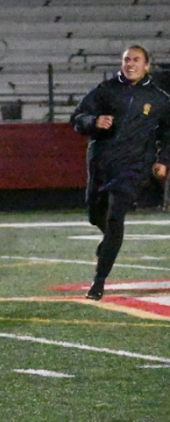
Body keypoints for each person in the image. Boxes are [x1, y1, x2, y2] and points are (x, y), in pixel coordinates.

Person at [71, 45, 170, 301]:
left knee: (116, 217)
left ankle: (98, 281)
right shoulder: (105, 90)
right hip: (101, 165)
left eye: (136, 60)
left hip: (133, 168)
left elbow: (168, 134)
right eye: (127, 59)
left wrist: (163, 160)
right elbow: (77, 116)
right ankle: (109, 244)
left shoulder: (160, 99)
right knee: (95, 215)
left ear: (147, 65)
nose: (130, 64)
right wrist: (93, 122)